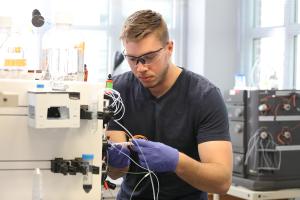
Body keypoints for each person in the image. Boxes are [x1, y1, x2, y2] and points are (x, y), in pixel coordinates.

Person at [106, 9, 232, 200]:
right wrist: (115, 162)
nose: (140, 68)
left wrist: (177, 162)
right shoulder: (118, 91)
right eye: (132, 59)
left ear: (169, 48)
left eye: (148, 57)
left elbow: (222, 182)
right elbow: (116, 172)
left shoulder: (204, 96)